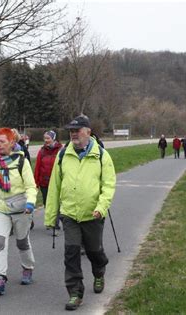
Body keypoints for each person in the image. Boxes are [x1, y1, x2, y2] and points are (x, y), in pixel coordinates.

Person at [44, 115, 116, 311]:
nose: (73, 134)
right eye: (71, 131)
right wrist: (51, 216)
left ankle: (99, 271)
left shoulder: (101, 155)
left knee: (94, 252)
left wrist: (101, 208)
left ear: (88, 132)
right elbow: (54, 187)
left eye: (77, 130)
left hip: (93, 214)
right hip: (69, 215)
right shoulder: (63, 155)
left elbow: (108, 186)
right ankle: (75, 292)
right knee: (71, 252)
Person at [0, 127, 37, 296]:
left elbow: (30, 186)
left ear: (12, 142)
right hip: (1, 210)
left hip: (21, 210)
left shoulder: (22, 162)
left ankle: (27, 267)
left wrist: (30, 203)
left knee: (22, 242)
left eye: (2, 141)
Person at [34, 130, 63, 230]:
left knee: (58, 202)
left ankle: (56, 222)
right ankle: (50, 221)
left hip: (57, 182)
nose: (46, 140)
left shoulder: (60, 150)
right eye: (45, 138)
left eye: (48, 138)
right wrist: (36, 182)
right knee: (47, 202)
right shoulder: (42, 151)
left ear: (53, 138)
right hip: (44, 182)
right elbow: (38, 167)